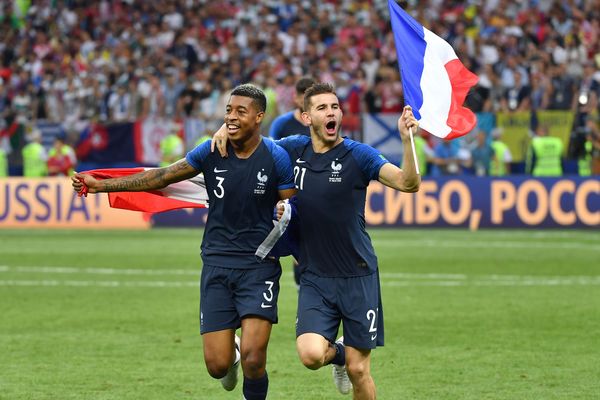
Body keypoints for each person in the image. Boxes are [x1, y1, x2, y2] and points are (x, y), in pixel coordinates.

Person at [72, 84, 296, 400]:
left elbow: (292, 211)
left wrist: (294, 230)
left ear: (259, 117)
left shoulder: (276, 158)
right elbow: (162, 176)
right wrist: (103, 186)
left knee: (255, 359)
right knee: (217, 366)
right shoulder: (210, 150)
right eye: (228, 111)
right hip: (217, 264)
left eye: (240, 112)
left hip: (259, 266)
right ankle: (228, 355)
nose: (231, 117)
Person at [214, 83, 420, 399]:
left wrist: (407, 142)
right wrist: (225, 132)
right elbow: (252, 145)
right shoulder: (293, 149)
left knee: (359, 369)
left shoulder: (358, 155)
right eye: (322, 108)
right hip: (314, 276)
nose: (331, 112)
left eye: (335, 107)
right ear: (307, 117)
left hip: (357, 274)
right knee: (310, 355)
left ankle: (345, 359)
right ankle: (336, 352)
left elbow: (408, 183)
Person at [268, 76, 315, 288]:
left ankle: (305, 292)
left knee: (307, 248)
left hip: (312, 191)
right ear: (296, 98)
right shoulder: (282, 124)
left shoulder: (320, 123)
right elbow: (270, 152)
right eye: (303, 97)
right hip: (286, 191)